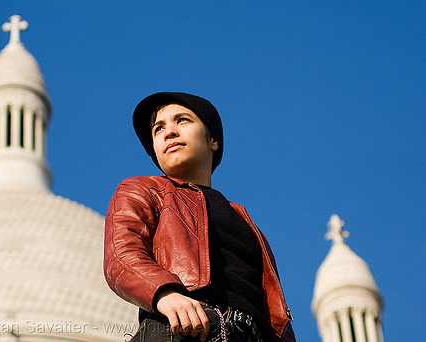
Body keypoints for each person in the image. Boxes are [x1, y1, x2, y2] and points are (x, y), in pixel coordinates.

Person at [103, 92, 296, 342]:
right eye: (158, 128)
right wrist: (166, 294)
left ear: (213, 140)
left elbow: (276, 313)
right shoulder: (141, 189)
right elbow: (121, 255)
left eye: (182, 120)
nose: (168, 132)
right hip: (184, 329)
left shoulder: (249, 225)